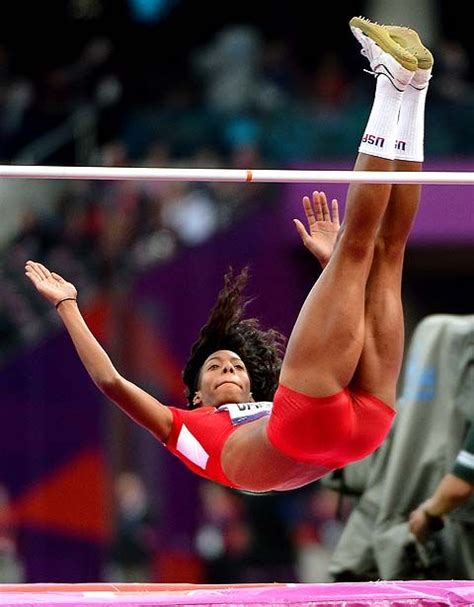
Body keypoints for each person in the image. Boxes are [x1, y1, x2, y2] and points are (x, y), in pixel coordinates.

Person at [25, 17, 432, 494]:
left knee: (369, 254)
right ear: (199, 394)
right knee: (375, 251)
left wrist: (67, 306)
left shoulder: (177, 425)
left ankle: (411, 87)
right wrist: (70, 305)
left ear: (193, 395)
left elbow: (112, 384)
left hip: (318, 428)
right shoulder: (202, 424)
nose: (229, 370)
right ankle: (395, 85)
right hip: (356, 426)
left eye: (231, 366)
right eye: (221, 367)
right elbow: (112, 380)